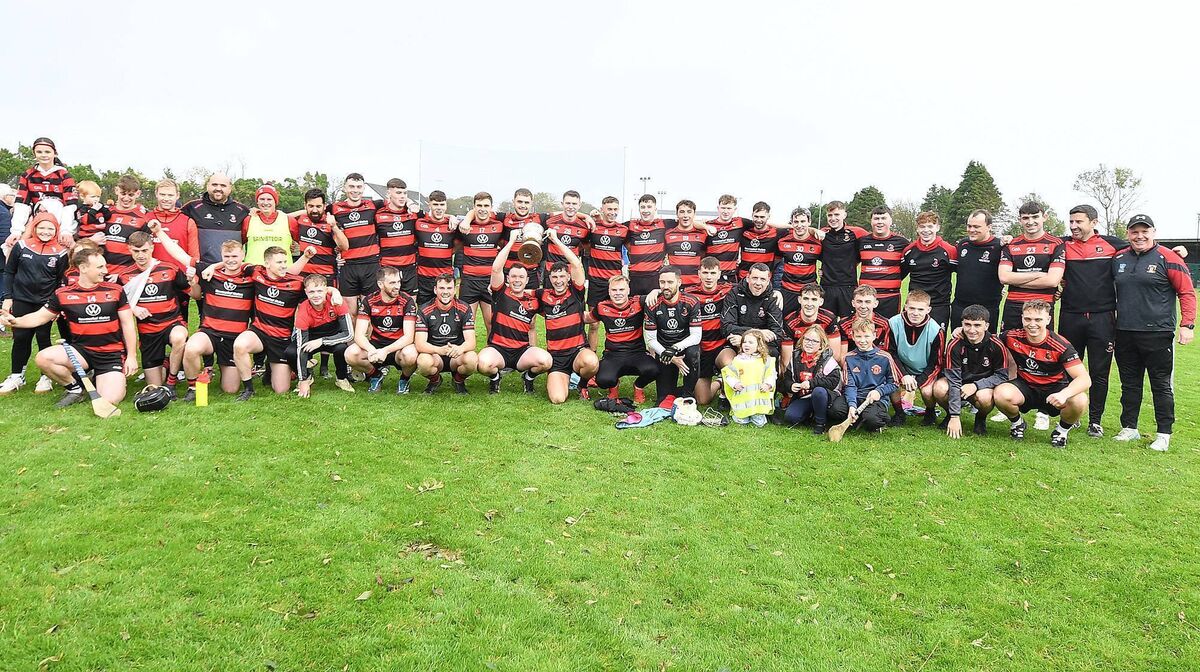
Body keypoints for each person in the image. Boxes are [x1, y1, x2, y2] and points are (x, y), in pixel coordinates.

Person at [0, 246, 138, 408]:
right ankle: (75, 388)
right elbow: (40, 317)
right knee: (43, 358)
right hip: (81, 352)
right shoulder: (62, 294)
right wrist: (16, 321)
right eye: (100, 267)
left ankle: (102, 378)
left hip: (111, 355)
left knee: (110, 399)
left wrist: (132, 357)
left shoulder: (116, 290)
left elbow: (128, 324)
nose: (105, 271)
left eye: (105, 266)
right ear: (84, 268)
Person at [1110, 214, 1196, 451]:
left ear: (1153, 232)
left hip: (1158, 333)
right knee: (1129, 383)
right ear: (1128, 233)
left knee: (1160, 384)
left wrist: (1187, 325)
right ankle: (1129, 428)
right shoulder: (1119, 258)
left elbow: (1186, 293)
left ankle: (1163, 434)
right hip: (1125, 331)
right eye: (1134, 231)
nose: (1140, 236)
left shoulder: (1168, 257)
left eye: (1144, 231)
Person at [992, 300, 1091, 448]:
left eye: (1038, 320)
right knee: (1001, 393)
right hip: (1026, 387)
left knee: (1080, 400)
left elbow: (1084, 379)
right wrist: (961, 332)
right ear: (1022, 318)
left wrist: (1064, 394)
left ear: (1048, 320)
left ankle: (1061, 431)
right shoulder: (1011, 337)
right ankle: (1018, 424)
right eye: (1027, 319)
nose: (1032, 324)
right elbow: (987, 339)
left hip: (1054, 390)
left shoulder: (1061, 345)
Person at [0, 212, 68, 394]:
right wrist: (8, 297)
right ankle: (16, 376)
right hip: (22, 300)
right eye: (42, 227)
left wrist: (57, 306)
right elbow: (9, 272)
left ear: (56, 230)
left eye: (50, 228)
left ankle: (46, 377)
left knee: (43, 337)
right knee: (21, 338)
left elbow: (61, 281)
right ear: (35, 227)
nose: (46, 231)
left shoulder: (61, 252)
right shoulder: (21, 246)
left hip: (46, 304)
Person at [119, 227, 193, 390]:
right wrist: (133, 308)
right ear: (129, 249)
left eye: (145, 250)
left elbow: (194, 294)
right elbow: (116, 306)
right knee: (154, 387)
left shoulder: (169, 269)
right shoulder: (124, 276)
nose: (141, 255)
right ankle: (166, 365)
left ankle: (172, 381)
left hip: (171, 323)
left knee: (180, 337)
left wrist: (194, 281)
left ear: (152, 248)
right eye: (136, 250)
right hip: (148, 331)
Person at [182, 240, 257, 400]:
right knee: (191, 348)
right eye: (226, 256)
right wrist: (192, 282)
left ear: (243, 255)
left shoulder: (250, 277)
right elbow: (196, 295)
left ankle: (220, 370)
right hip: (210, 333)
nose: (230, 259)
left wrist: (214, 264)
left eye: (235, 256)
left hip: (235, 339)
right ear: (221, 256)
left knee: (230, 389)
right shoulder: (211, 274)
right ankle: (193, 387)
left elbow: (266, 268)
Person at [477, 232, 551, 394]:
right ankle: (495, 378)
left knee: (546, 361)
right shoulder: (501, 292)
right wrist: (511, 241)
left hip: (521, 351)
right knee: (482, 364)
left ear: (526, 280)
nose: (517, 280)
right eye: (514, 276)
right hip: (498, 349)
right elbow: (496, 268)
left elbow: (552, 314)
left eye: (521, 277)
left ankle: (528, 377)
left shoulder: (534, 300)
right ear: (508, 279)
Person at [538, 230, 599, 403]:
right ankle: (562, 379)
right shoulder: (543, 295)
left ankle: (583, 383)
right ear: (550, 278)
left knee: (591, 362)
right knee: (557, 399)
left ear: (568, 277)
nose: (558, 280)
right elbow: (523, 294)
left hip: (577, 351)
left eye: (562, 276)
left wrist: (556, 240)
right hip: (556, 357)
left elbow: (577, 265)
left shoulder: (576, 292)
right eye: (554, 277)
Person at [935, 304, 1011, 438]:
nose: (971, 330)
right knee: (939, 388)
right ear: (962, 324)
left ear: (986, 326)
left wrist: (976, 385)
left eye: (977, 325)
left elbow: (1002, 375)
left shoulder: (996, 344)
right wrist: (954, 415)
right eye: (967, 324)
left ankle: (980, 418)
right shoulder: (954, 344)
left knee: (985, 397)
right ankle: (949, 415)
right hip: (959, 382)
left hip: (983, 386)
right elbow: (954, 380)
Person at [345, 266, 419, 393]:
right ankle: (375, 375)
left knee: (411, 355)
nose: (397, 286)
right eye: (392, 283)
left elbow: (409, 337)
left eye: (398, 282)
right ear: (380, 284)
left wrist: (386, 351)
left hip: (399, 347)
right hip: (377, 345)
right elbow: (359, 335)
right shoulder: (369, 301)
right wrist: (372, 350)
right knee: (350, 354)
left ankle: (404, 379)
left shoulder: (407, 301)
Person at [587, 275, 657, 401]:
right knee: (602, 380)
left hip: (637, 353)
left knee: (655, 369)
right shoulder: (602, 307)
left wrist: (655, 291)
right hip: (613, 355)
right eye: (614, 290)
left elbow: (663, 296)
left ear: (628, 290)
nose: (617, 293)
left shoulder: (639, 302)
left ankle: (638, 387)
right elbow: (586, 318)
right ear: (609, 291)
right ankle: (613, 386)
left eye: (621, 290)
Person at [998, 201, 1065, 332]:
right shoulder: (1011, 245)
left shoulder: (1056, 244)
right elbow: (1004, 277)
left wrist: (1016, 280)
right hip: (1014, 305)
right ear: (1020, 220)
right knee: (1009, 347)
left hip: (1043, 305)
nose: (1030, 222)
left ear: (1045, 217)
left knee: (1041, 349)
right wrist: (1038, 275)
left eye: (1035, 217)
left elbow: (1052, 281)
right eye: (1025, 218)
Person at [289, 273, 355, 397]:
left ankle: (341, 378)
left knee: (342, 348)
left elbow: (349, 334)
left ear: (326, 290)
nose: (316, 295)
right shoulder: (303, 309)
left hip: (332, 337)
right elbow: (300, 347)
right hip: (310, 338)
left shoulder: (337, 302)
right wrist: (302, 380)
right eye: (312, 292)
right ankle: (307, 377)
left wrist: (322, 341)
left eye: (319, 291)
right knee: (291, 352)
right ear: (306, 292)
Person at [644, 266, 702, 407]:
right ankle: (675, 391)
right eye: (662, 282)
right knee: (663, 399)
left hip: (684, 348)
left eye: (670, 282)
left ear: (679, 282)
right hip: (664, 351)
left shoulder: (691, 302)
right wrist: (667, 353)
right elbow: (650, 339)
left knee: (693, 353)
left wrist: (675, 348)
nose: (666, 286)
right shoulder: (652, 303)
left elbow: (696, 336)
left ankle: (688, 394)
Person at [887, 289, 946, 427]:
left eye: (920, 309)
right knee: (892, 382)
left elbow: (936, 363)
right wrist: (904, 375)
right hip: (901, 367)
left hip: (924, 369)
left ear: (928, 309)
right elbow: (890, 353)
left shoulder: (936, 330)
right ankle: (899, 413)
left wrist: (919, 381)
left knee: (927, 391)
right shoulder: (893, 323)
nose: (915, 313)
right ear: (906, 306)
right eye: (912, 308)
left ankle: (930, 412)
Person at [5, 137, 78, 247]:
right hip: (36, 220)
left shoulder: (64, 175)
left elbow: (70, 206)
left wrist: (66, 231)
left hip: (59, 221)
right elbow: (21, 205)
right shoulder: (28, 175)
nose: (44, 155)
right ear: (34, 154)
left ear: (55, 153)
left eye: (47, 152)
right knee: (11, 246)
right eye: (39, 152)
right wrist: (16, 231)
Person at [414, 273, 478, 395]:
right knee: (423, 361)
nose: (445, 292)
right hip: (435, 354)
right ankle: (435, 380)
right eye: (442, 288)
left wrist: (460, 349)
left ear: (455, 290)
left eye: (449, 288)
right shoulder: (424, 310)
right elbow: (420, 344)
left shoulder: (464, 308)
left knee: (472, 359)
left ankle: (458, 381)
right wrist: (440, 350)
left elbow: (471, 342)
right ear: (435, 289)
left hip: (456, 354)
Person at [716, 263, 785, 373]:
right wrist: (755, 334)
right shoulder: (734, 294)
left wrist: (750, 343)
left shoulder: (773, 298)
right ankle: (725, 384)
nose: (758, 283)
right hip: (736, 343)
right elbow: (726, 327)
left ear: (768, 281)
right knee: (726, 361)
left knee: (773, 355)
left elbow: (777, 334)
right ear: (748, 278)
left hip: (762, 347)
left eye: (762, 279)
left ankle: (768, 388)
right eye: (755, 278)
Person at [329, 173, 381, 316]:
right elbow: (312, 210)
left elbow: (398, 203)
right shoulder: (334, 208)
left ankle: (366, 339)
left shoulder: (373, 205)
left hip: (370, 264)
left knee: (369, 311)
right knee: (350, 312)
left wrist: (449, 216)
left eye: (359, 187)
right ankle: (352, 339)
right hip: (348, 265)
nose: (355, 190)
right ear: (345, 188)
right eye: (351, 186)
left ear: (363, 188)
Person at [780, 324, 848, 433]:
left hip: (825, 396)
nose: (809, 343)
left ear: (821, 344)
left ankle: (820, 423)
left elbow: (833, 381)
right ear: (802, 340)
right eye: (807, 339)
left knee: (819, 391)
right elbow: (787, 379)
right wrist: (791, 386)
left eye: (814, 341)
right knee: (791, 417)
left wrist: (811, 383)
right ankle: (809, 416)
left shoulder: (827, 359)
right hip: (804, 396)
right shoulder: (795, 356)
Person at [842, 318, 902, 433]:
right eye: (858, 337)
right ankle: (858, 417)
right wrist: (852, 405)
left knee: (872, 419)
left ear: (874, 335)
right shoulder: (848, 358)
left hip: (876, 399)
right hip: (857, 397)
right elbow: (850, 385)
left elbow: (894, 383)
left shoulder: (885, 357)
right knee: (836, 410)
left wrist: (879, 392)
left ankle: (876, 419)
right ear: (853, 336)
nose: (862, 340)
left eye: (866, 336)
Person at [456, 191, 506, 328]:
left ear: (491, 207)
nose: (482, 209)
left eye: (486, 205)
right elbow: (455, 247)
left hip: (489, 281)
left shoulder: (499, 226)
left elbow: (504, 246)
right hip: (469, 282)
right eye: (479, 205)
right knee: (466, 323)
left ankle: (492, 349)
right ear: (474, 207)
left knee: (492, 322)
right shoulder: (464, 227)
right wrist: (466, 219)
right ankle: (467, 350)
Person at [182, 172, 250, 271]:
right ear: (207, 186)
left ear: (230, 188)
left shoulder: (242, 211)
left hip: (231, 270)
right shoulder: (192, 208)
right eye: (214, 184)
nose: (218, 188)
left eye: (223, 185)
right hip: (202, 269)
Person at [950, 209, 1005, 330]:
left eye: (976, 226)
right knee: (958, 344)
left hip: (987, 308)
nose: (971, 230)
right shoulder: (962, 244)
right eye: (969, 226)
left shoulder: (1000, 246)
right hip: (960, 306)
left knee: (985, 346)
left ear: (989, 227)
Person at [901, 211, 957, 327]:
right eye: (922, 226)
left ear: (937, 227)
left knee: (937, 341)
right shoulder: (909, 251)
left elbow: (964, 275)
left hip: (938, 306)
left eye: (930, 226)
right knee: (909, 340)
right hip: (914, 305)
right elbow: (899, 275)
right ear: (917, 228)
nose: (926, 230)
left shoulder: (949, 250)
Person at [856, 206, 910, 318]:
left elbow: (906, 268)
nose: (879, 222)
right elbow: (851, 263)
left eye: (883, 218)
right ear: (871, 221)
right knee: (864, 331)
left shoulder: (902, 243)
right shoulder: (862, 242)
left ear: (890, 221)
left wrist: (891, 280)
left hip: (890, 297)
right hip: (866, 298)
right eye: (876, 219)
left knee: (889, 331)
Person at [818, 200, 868, 319]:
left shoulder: (856, 233)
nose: (833, 218)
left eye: (836, 215)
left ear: (844, 215)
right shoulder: (822, 233)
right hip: (826, 287)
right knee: (826, 322)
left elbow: (872, 241)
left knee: (848, 323)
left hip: (848, 287)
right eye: (830, 215)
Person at [721, 328, 777, 426]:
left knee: (759, 422)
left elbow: (771, 374)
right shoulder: (738, 360)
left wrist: (768, 384)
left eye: (750, 342)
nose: (746, 344)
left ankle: (757, 415)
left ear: (759, 345)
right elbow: (730, 374)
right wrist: (735, 384)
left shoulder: (766, 361)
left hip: (759, 399)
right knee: (741, 420)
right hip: (743, 399)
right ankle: (741, 416)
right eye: (744, 342)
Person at [374, 178, 420, 297]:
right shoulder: (378, 213)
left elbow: (434, 216)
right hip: (387, 269)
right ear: (388, 194)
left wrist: (452, 218)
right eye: (398, 193)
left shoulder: (413, 213)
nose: (402, 196)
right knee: (388, 305)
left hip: (409, 269)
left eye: (405, 193)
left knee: (410, 306)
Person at [780, 283, 840, 370]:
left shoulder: (829, 319)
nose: (809, 304)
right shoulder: (789, 322)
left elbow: (836, 355)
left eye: (814, 299)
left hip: (821, 365)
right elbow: (786, 361)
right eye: (806, 298)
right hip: (798, 364)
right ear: (799, 300)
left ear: (821, 302)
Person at [413, 190, 457, 306]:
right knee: (424, 315)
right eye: (435, 204)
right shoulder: (419, 222)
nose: (439, 208)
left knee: (448, 316)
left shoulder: (452, 226)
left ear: (446, 205)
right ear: (429, 205)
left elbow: (459, 246)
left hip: (445, 279)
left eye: (442, 204)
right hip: (424, 279)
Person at [777, 208, 822, 319]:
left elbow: (829, 261)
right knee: (786, 323)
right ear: (791, 223)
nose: (799, 225)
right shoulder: (783, 241)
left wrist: (823, 270)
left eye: (803, 221)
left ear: (809, 222)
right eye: (796, 222)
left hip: (809, 292)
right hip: (787, 290)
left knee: (809, 322)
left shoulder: (818, 242)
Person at [242, 184, 295, 266]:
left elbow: (303, 241)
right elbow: (238, 244)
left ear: (275, 201)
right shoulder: (248, 220)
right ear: (257, 201)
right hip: (253, 273)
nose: (265, 202)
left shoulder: (289, 220)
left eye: (269, 199)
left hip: (283, 273)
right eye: (262, 199)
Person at [705, 194, 754, 282]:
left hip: (731, 275)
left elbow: (763, 223)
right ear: (718, 208)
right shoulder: (708, 225)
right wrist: (704, 226)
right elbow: (692, 223)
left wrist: (787, 226)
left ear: (734, 209)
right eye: (723, 208)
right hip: (712, 275)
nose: (725, 211)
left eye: (729, 208)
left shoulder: (740, 223)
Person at [837, 284, 893, 360]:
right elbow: (842, 356)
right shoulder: (844, 324)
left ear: (875, 304)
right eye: (859, 301)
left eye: (867, 302)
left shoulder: (884, 324)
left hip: (877, 365)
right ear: (853, 303)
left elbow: (886, 353)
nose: (863, 306)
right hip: (852, 364)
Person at [663, 200, 711, 287]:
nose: (685, 216)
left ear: (694, 214)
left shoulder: (703, 234)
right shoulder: (668, 234)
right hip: (674, 285)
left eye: (689, 212)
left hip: (696, 284)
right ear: (677, 214)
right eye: (682, 212)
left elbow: (705, 256)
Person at [737, 202, 780, 280]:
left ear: (768, 216)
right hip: (743, 279)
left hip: (763, 280)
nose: (759, 220)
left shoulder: (776, 233)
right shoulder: (743, 231)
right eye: (756, 216)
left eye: (762, 217)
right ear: (752, 215)